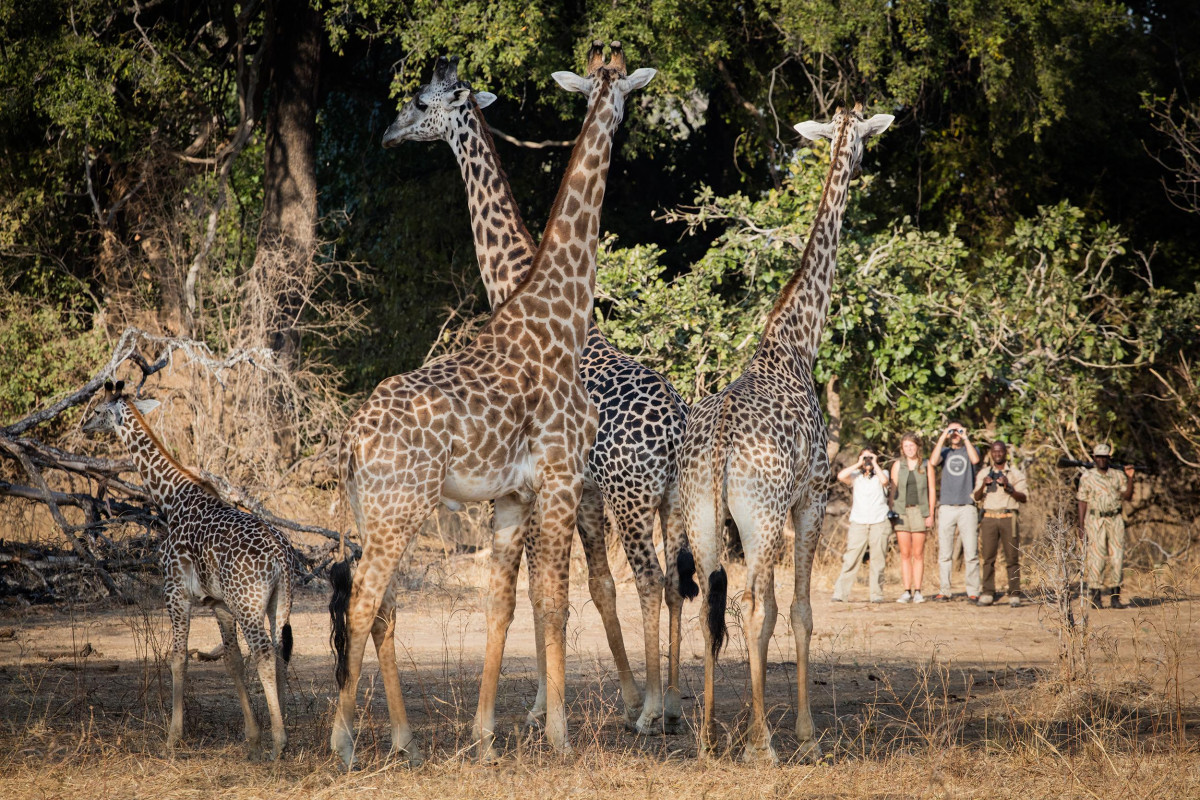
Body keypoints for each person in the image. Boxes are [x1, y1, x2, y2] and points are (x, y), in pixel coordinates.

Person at [1077, 444, 1136, 609]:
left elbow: (1128, 496)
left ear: (1109, 458)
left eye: (1105, 457)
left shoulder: (1117, 475)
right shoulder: (1087, 477)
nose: (1102, 460)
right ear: (1094, 458)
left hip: (1115, 519)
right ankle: (1096, 598)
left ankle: (1115, 598)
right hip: (1095, 520)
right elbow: (1082, 501)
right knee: (1097, 559)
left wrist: (1130, 477)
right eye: (1099, 457)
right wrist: (1080, 526)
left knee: (1117, 558)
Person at [929, 422, 982, 602]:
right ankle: (945, 590)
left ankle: (973, 591)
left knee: (971, 552)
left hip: (967, 506)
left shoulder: (970, 449)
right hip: (946, 507)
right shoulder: (945, 452)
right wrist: (943, 436)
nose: (955, 434)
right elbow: (933, 461)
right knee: (945, 553)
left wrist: (965, 436)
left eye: (958, 431)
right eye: (952, 431)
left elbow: (975, 460)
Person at [832, 447, 891, 603]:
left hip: (879, 521)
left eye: (869, 458)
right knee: (851, 559)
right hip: (859, 522)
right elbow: (840, 476)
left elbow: (885, 482)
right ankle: (840, 594)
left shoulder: (882, 473)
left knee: (878, 560)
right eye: (864, 458)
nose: (867, 461)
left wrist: (874, 462)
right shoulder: (856, 476)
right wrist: (858, 463)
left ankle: (876, 594)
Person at [972, 441, 1028, 607]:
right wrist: (984, 484)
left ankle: (1014, 593)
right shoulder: (983, 473)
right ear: (991, 453)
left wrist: (1009, 487)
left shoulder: (1015, 473)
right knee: (988, 557)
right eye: (994, 451)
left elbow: (1024, 498)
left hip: (1008, 517)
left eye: (1000, 451)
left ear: (1005, 453)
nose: (997, 454)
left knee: (1012, 557)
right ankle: (988, 592)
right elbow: (975, 497)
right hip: (989, 517)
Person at [890, 433, 936, 603]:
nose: (909, 449)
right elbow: (893, 491)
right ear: (902, 448)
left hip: (919, 511)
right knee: (905, 553)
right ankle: (906, 590)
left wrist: (931, 513)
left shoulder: (926, 465)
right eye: (906, 446)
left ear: (917, 446)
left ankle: (918, 591)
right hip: (901, 511)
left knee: (918, 553)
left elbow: (932, 490)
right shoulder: (897, 465)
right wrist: (891, 510)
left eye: (912, 445)